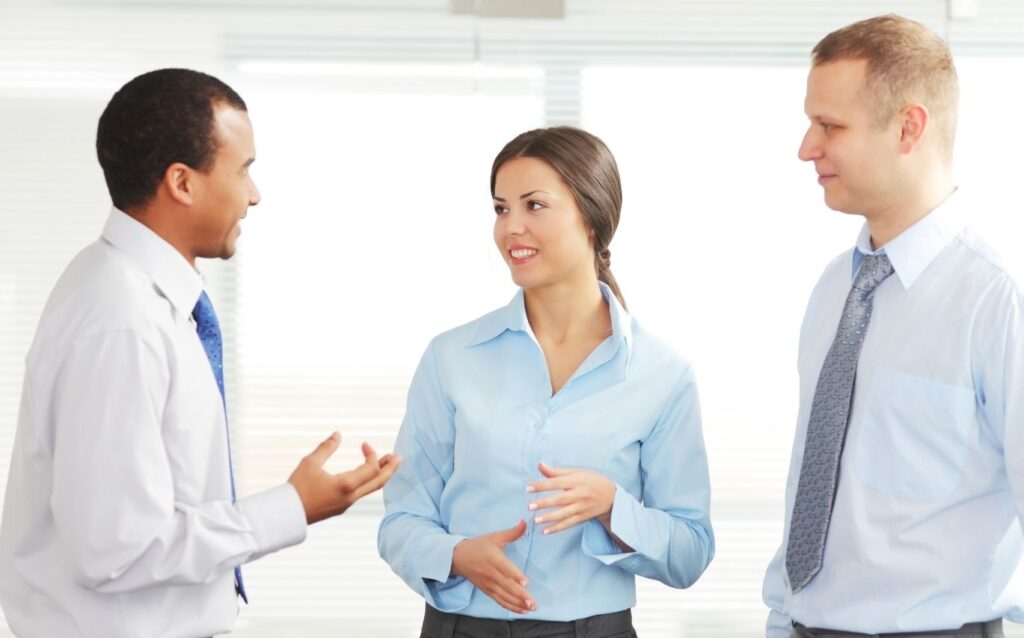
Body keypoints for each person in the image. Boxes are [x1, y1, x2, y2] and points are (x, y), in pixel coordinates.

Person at [0, 68, 400, 638]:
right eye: (244, 171)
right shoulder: (122, 321)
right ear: (182, 183)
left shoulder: (134, 292)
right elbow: (117, 551)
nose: (255, 195)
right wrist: (292, 507)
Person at [378, 126, 714, 637]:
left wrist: (611, 507)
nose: (511, 227)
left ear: (592, 219)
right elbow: (400, 520)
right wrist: (457, 555)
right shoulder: (451, 358)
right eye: (500, 208)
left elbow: (690, 550)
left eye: (534, 205)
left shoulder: (660, 373)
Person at [762, 14, 1024, 638]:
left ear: (909, 127)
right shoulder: (835, 288)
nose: (806, 148)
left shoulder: (998, 300)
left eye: (830, 126)